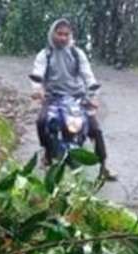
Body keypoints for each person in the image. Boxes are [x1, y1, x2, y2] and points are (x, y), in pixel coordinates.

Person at [29, 18, 116, 181]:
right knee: (41, 122)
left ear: (70, 36)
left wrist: (93, 94)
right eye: (59, 33)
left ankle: (104, 166)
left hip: (77, 98)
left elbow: (88, 75)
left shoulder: (77, 53)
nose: (62, 37)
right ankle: (47, 152)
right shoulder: (45, 54)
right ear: (52, 34)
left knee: (95, 129)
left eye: (66, 34)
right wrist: (37, 90)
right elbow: (37, 74)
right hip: (53, 99)